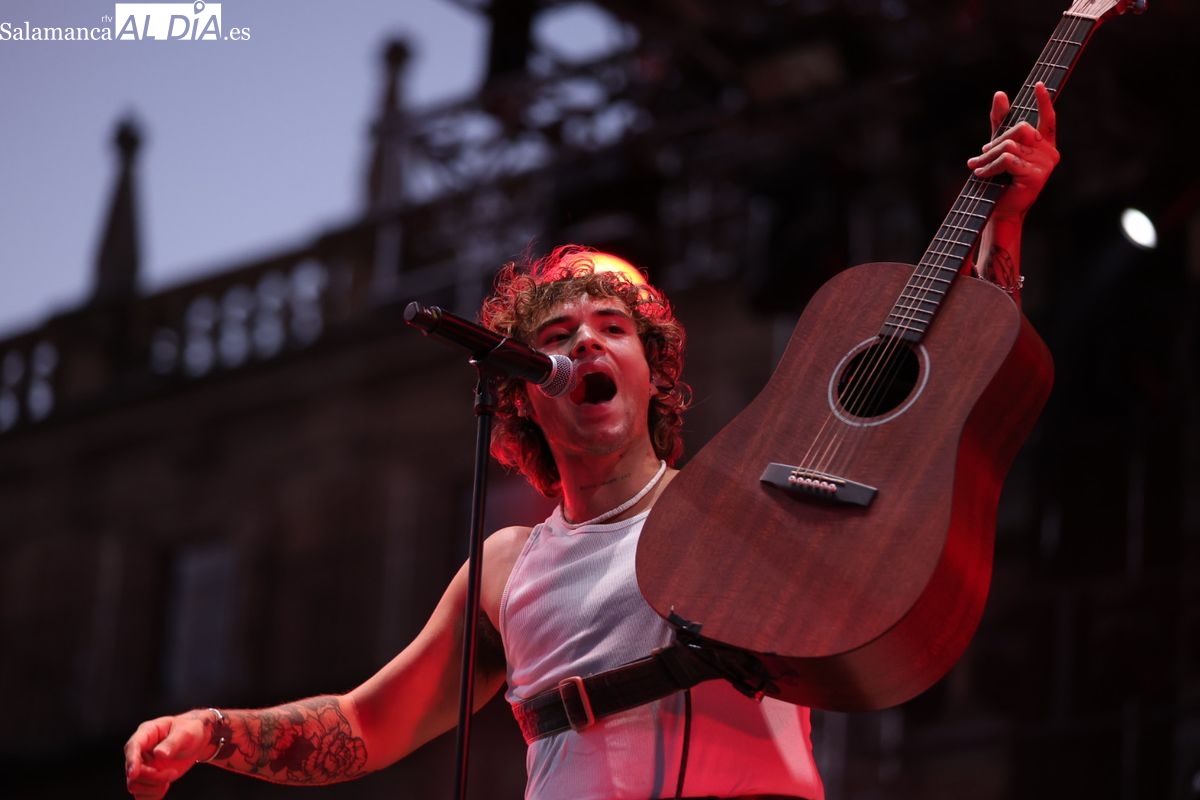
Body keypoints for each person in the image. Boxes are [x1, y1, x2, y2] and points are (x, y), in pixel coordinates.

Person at [124, 82, 1060, 800]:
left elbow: (946, 404)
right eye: (557, 336)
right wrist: (213, 731)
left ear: (656, 375)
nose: (585, 344)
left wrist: (1003, 231)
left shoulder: (744, 501)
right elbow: (365, 726)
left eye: (614, 329)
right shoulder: (505, 567)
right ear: (523, 396)